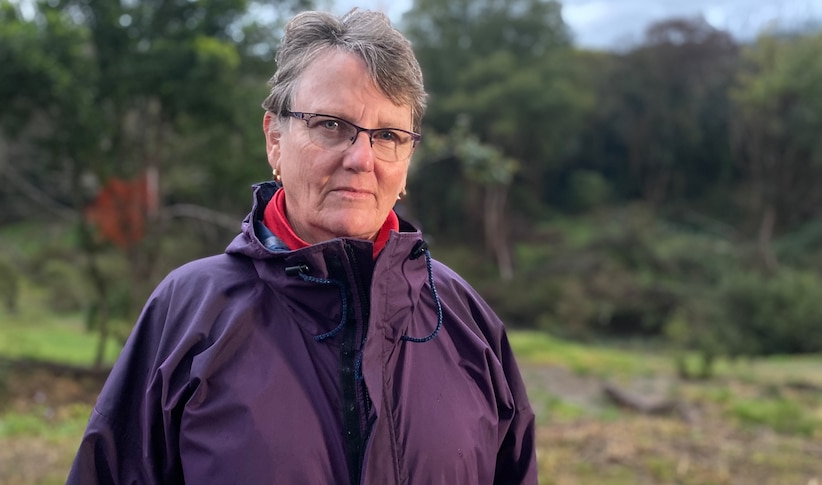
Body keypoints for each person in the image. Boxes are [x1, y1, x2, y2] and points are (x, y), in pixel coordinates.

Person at [67, 8, 537, 485]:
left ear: (407, 159)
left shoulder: (466, 321)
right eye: (331, 125)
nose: (361, 159)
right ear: (275, 137)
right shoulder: (189, 313)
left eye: (388, 136)